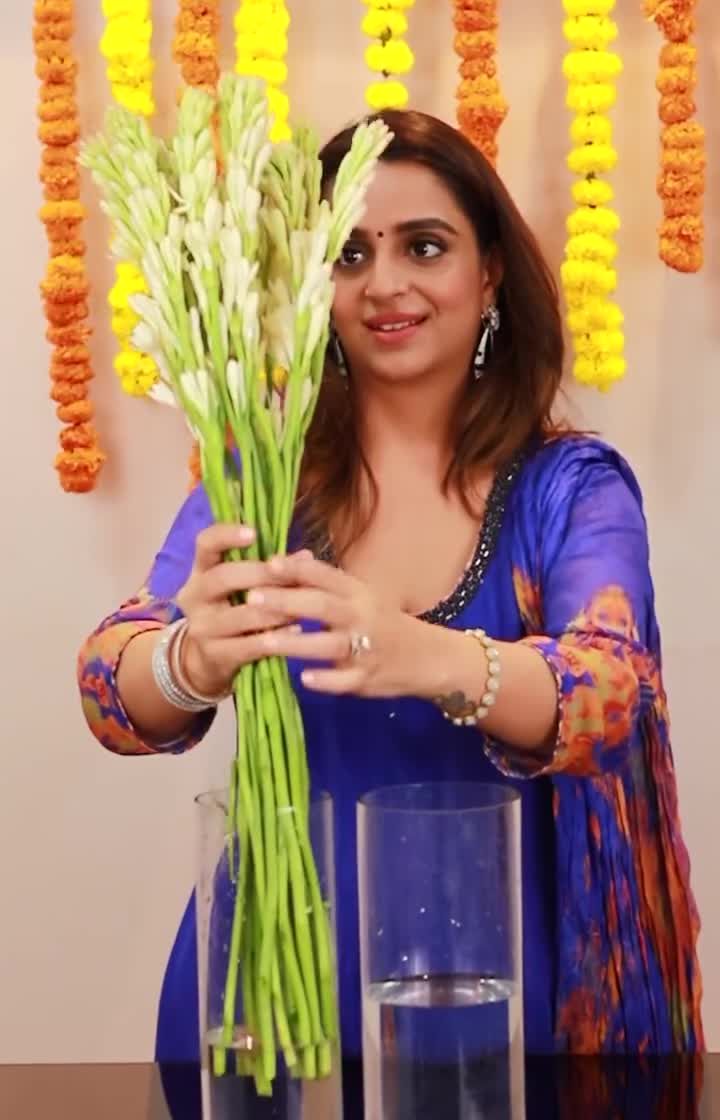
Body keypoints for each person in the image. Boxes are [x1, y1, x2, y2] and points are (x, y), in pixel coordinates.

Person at [77, 109, 703, 1076]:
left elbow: (614, 693)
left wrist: (428, 657)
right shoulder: (263, 481)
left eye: (425, 245)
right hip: (264, 1016)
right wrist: (187, 661)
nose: (385, 283)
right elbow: (110, 689)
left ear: (490, 273)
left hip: (500, 1007)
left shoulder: (570, 489)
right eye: (351, 254)